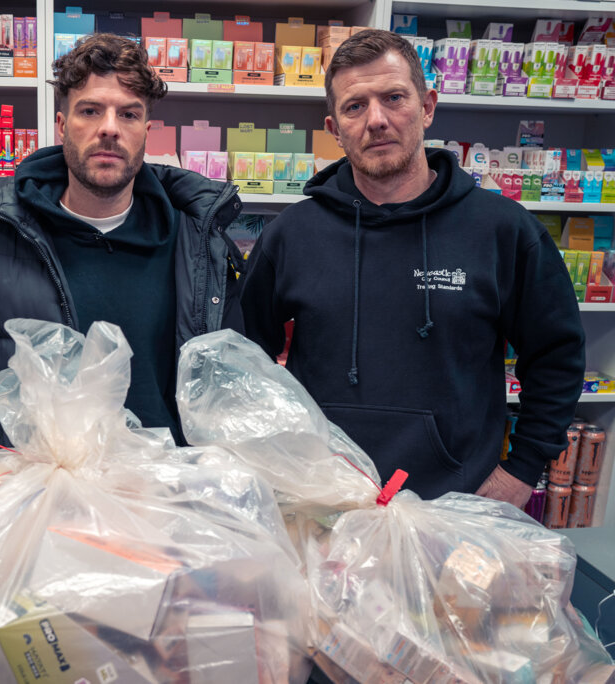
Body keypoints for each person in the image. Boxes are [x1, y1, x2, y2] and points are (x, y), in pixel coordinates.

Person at [240, 29, 585, 506]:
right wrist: (275, 465)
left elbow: (556, 356)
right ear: (334, 128)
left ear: (427, 107)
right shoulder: (291, 234)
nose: (376, 120)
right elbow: (244, 360)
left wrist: (522, 468)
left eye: (394, 98)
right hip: (323, 508)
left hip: (456, 507)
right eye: (354, 106)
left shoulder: (503, 230)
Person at [0, 33, 246, 446]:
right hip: (39, 495)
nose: (109, 129)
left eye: (128, 115)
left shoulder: (201, 251)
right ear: (62, 125)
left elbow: (233, 396)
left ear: (146, 131)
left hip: (168, 494)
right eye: (90, 111)